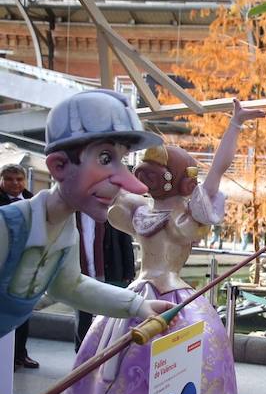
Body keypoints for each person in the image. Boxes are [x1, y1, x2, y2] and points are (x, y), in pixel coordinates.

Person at [53, 99, 265, 394]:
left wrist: (234, 126)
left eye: (154, 171)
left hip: (167, 299)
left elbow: (216, 174)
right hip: (143, 299)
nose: (142, 176)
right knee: (112, 371)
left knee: (151, 377)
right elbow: (108, 185)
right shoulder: (137, 211)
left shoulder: (185, 218)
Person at [0, 89, 172, 340]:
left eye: (122, 160)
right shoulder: (8, 226)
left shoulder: (66, 229)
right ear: (59, 166)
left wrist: (137, 305)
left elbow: (69, 286)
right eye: (105, 158)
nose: (127, 183)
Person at [74, 218, 136, 351]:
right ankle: (82, 354)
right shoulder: (73, 215)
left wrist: (128, 273)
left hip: (110, 272)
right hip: (80, 274)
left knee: (111, 319)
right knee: (83, 317)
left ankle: (107, 353)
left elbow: (125, 242)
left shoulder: (110, 213)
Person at [0, 164, 38, 369]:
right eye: (9, 179)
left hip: (25, 267)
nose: (14, 183)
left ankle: (20, 354)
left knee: (22, 313)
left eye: (18, 179)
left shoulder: (35, 202)